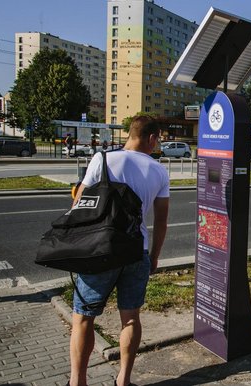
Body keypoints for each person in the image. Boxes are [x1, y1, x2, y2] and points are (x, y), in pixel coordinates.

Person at [68, 116, 170, 386]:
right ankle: (123, 381)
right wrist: (154, 256)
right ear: (150, 138)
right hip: (137, 251)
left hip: (100, 249)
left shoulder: (103, 159)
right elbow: (161, 221)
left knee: (83, 318)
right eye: (158, 139)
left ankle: (77, 382)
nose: (157, 144)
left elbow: (80, 202)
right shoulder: (159, 171)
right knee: (131, 318)